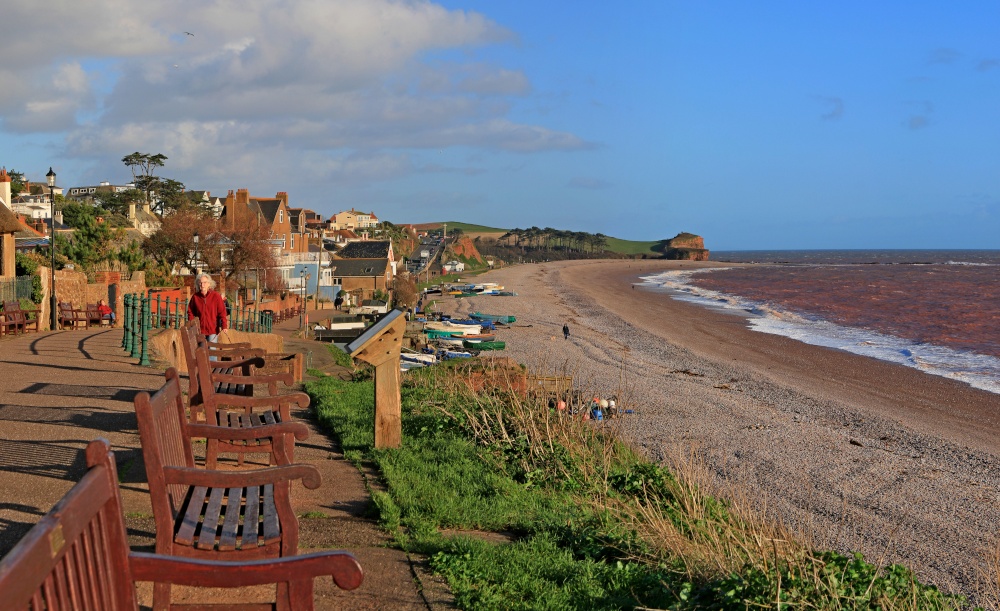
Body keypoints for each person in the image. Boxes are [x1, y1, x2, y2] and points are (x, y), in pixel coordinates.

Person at [188, 272, 228, 342]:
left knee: (212, 350)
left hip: (213, 330)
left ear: (209, 284)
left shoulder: (216, 296)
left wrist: (224, 326)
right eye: (200, 283)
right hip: (200, 331)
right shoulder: (195, 297)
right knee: (201, 351)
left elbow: (222, 312)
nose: (202, 285)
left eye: (205, 282)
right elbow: (190, 311)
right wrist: (191, 324)